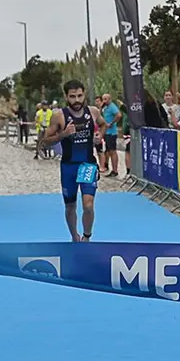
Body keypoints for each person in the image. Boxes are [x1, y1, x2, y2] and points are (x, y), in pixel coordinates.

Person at [44, 80, 106, 242]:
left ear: (84, 94)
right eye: (72, 97)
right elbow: (45, 141)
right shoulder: (59, 116)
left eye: (79, 96)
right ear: (66, 97)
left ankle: (87, 236)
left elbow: (103, 124)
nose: (77, 100)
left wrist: (99, 136)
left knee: (88, 205)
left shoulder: (93, 112)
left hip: (87, 165)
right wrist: (63, 135)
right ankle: (74, 237)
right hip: (68, 166)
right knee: (70, 206)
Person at [100, 92, 122, 177]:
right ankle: (110, 168)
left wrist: (111, 123)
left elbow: (119, 115)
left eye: (106, 99)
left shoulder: (112, 106)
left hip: (111, 132)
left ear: (110, 99)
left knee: (112, 151)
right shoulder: (105, 107)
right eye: (103, 99)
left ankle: (115, 170)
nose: (104, 101)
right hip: (106, 132)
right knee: (108, 150)